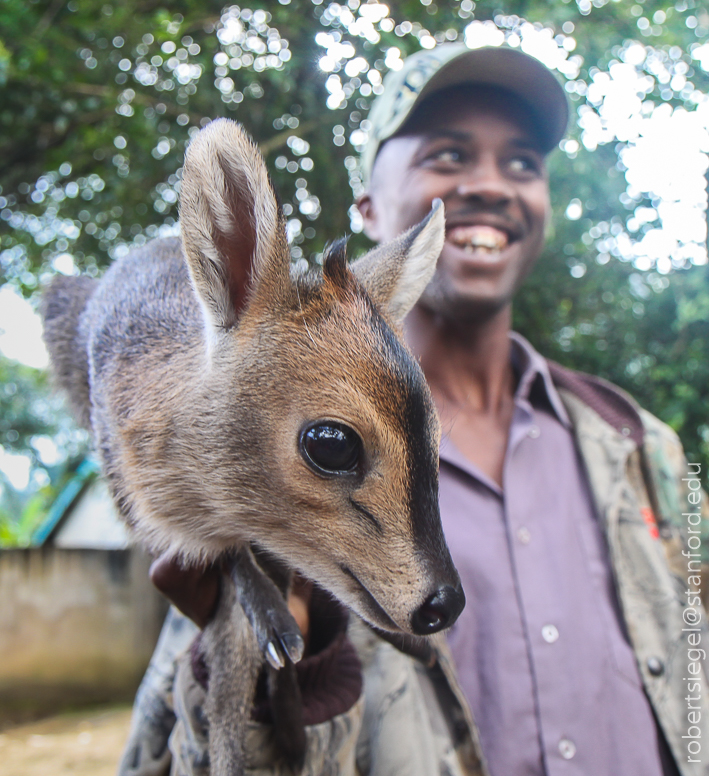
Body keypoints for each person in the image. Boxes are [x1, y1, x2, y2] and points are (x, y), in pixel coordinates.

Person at [118, 44, 709, 776]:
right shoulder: (267, 466)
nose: (491, 183)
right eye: (447, 153)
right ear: (367, 207)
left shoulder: (641, 444)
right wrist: (293, 677)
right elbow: (174, 756)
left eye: (523, 162)